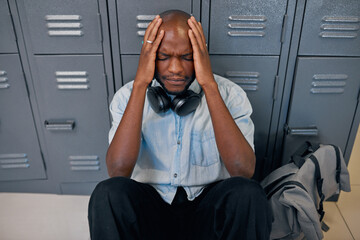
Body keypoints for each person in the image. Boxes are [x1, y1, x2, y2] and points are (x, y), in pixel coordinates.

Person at [88, 10, 272, 240]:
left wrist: (209, 86)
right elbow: (118, 171)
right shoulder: (126, 97)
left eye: (186, 57)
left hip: (206, 211)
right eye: (164, 57)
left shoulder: (230, 95)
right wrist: (140, 85)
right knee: (107, 193)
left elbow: (243, 170)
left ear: (200, 55)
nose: (175, 69)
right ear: (150, 56)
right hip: (152, 212)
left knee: (249, 194)